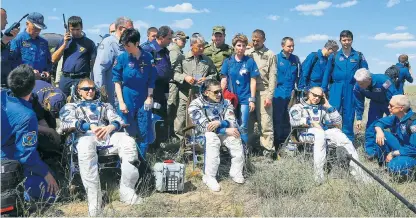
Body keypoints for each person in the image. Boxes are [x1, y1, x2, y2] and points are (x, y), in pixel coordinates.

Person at [59, 78, 142, 216]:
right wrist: (88, 126)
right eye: (86, 89)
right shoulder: (71, 107)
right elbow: (66, 123)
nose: (90, 91)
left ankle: (127, 191)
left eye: (92, 88)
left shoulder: (104, 106)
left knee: (128, 142)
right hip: (84, 137)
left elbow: (118, 119)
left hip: (106, 135)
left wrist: (111, 126)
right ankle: (95, 200)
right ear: (79, 91)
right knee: (86, 146)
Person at [289, 87, 370, 184]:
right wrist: (311, 123)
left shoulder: (322, 108)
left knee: (339, 134)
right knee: (319, 134)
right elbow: (294, 121)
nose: (317, 98)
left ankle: (360, 175)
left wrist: (328, 106)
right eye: (314, 95)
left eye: (319, 96)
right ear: (308, 94)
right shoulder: (298, 107)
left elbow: (338, 122)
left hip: (320, 132)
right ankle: (318, 176)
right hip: (304, 133)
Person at [1, 64, 59, 202]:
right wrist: (46, 174)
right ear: (33, 86)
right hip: (7, 164)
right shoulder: (27, 116)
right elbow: (26, 156)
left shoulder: (3, 96)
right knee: (52, 191)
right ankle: (22, 197)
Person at [188, 79, 245, 191]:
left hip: (222, 130)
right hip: (202, 136)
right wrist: (224, 130)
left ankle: (236, 173)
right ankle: (209, 177)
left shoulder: (226, 103)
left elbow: (232, 120)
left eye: (220, 91)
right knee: (212, 138)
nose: (219, 94)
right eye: (216, 92)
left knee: (235, 136)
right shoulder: (195, 105)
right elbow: (205, 127)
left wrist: (221, 123)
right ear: (206, 92)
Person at [113, 28, 156, 158]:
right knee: (126, 131)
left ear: (137, 43)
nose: (125, 47)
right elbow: (117, 81)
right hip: (127, 97)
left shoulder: (148, 58)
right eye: (124, 45)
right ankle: (125, 161)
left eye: (128, 45)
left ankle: (141, 161)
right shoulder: (122, 58)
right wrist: (121, 102)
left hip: (143, 97)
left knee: (144, 131)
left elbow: (151, 80)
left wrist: (149, 97)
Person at [321, 30, 369, 142]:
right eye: (344, 40)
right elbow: (327, 73)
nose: (346, 42)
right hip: (336, 88)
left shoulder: (358, 56)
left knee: (349, 114)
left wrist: (364, 88)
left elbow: (365, 72)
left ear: (352, 40)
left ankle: (348, 142)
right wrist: (323, 89)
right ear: (340, 41)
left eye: (348, 40)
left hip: (352, 88)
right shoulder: (334, 56)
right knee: (332, 113)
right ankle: (331, 140)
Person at [173, 33, 217, 139]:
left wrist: (206, 79)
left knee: (200, 117)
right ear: (192, 45)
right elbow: (175, 73)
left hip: (201, 95)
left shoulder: (207, 60)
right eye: (199, 46)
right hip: (185, 93)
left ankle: (199, 141)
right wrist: (185, 77)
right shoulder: (182, 58)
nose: (202, 48)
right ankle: (182, 143)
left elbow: (214, 75)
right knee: (182, 117)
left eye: (203, 46)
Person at [220, 33, 259, 145]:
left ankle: (244, 151)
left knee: (243, 126)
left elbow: (253, 81)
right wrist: (221, 97)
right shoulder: (228, 62)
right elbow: (224, 80)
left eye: (243, 46)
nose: (241, 48)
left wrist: (252, 99)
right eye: (238, 45)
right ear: (234, 46)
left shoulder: (250, 62)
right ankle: (232, 149)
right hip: (231, 98)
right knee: (231, 124)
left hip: (245, 98)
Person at [353, 68, 399, 159]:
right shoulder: (358, 86)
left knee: (396, 124)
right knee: (371, 126)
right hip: (375, 104)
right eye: (358, 83)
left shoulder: (383, 81)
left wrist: (393, 110)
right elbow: (359, 102)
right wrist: (358, 118)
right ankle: (371, 152)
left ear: (369, 80)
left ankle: (396, 150)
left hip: (389, 102)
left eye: (361, 83)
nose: (359, 85)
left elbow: (393, 95)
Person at [245, 29, 276, 153]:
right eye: (253, 40)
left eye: (258, 40)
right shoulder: (248, 54)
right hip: (249, 92)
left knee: (265, 123)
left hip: (264, 91)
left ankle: (267, 149)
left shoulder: (270, 55)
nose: (255, 42)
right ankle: (250, 147)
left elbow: (273, 77)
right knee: (249, 122)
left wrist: (270, 96)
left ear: (264, 40)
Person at [142, 26, 173, 143]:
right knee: (150, 117)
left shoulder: (165, 51)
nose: (170, 41)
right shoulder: (148, 50)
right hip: (150, 89)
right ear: (161, 37)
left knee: (160, 116)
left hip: (161, 89)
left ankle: (158, 143)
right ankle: (149, 145)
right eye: (169, 38)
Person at [93, 17, 133, 106]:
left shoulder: (128, 44)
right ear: (121, 29)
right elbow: (99, 69)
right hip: (113, 94)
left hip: (127, 92)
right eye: (130, 30)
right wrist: (100, 92)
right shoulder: (109, 43)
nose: (132, 33)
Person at [52, 16, 96, 96]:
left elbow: (94, 64)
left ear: (82, 27)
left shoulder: (89, 43)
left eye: (78, 29)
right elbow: (53, 59)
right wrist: (64, 44)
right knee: (62, 103)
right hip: (65, 79)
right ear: (68, 29)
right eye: (72, 30)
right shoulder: (64, 41)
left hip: (81, 79)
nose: (75, 32)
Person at [372, 95, 415, 177]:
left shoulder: (413, 123)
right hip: (402, 147)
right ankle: (383, 163)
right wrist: (379, 131)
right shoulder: (397, 117)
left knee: (393, 166)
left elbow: (414, 149)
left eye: (391, 106)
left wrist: (393, 153)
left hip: (412, 153)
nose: (388, 107)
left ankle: (412, 170)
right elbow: (379, 123)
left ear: (401, 108)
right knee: (380, 134)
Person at [273, 37, 301, 151]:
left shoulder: (296, 59)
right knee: (278, 119)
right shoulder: (276, 59)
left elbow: (299, 76)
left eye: (293, 46)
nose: (291, 48)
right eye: (289, 46)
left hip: (291, 93)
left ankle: (288, 141)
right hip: (278, 93)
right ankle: (277, 143)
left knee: (290, 119)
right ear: (282, 46)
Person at [10, 12, 52, 80]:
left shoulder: (44, 43)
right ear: (27, 24)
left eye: (40, 28)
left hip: (41, 82)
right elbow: (11, 63)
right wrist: (27, 72)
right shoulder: (17, 40)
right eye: (35, 27)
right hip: (23, 82)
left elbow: (48, 62)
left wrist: (47, 71)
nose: (37, 31)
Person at [167, 30, 188, 139]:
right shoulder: (174, 50)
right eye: (181, 39)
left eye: (185, 40)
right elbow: (171, 67)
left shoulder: (178, 50)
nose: (184, 42)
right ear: (175, 39)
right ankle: (170, 132)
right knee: (172, 105)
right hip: (173, 82)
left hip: (176, 81)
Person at [1, 8, 20, 87]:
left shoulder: (4, 36)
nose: (7, 22)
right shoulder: (4, 38)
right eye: (4, 19)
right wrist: (3, 41)